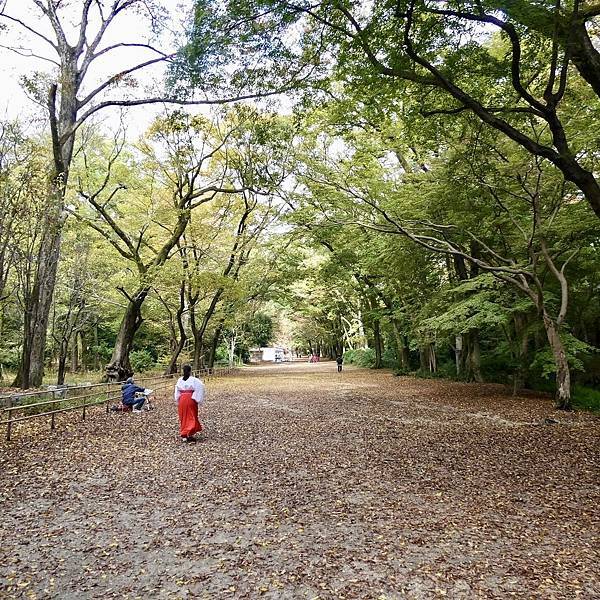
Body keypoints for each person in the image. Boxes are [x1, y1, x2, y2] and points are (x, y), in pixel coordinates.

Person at [174, 364, 205, 443]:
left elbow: (176, 391)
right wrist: (197, 398)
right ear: (190, 371)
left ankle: (184, 434)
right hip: (190, 398)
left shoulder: (180, 380)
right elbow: (201, 386)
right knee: (191, 416)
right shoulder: (194, 380)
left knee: (183, 416)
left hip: (182, 398)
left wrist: (177, 399)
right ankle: (188, 433)